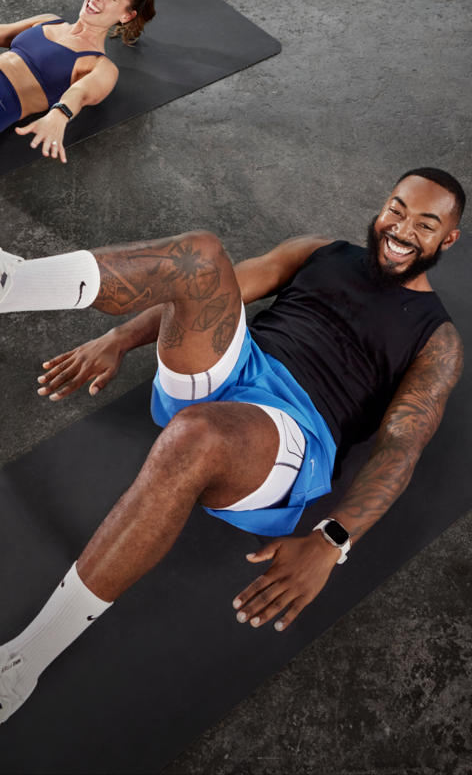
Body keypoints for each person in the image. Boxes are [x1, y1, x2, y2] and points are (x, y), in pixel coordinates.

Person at [0, 167, 465, 722]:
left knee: (195, 436)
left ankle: (22, 663)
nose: (402, 230)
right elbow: (211, 289)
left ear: (448, 240)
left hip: (291, 431)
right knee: (200, 253)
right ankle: (11, 282)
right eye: (397, 210)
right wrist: (119, 337)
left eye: (425, 224)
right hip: (235, 365)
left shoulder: (437, 340)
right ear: (384, 205)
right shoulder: (321, 250)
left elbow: (401, 447)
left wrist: (332, 541)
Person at [0, 0, 155, 162]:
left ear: (126, 16)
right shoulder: (49, 20)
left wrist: (60, 114)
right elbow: (3, 33)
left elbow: (79, 93)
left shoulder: (101, 66)